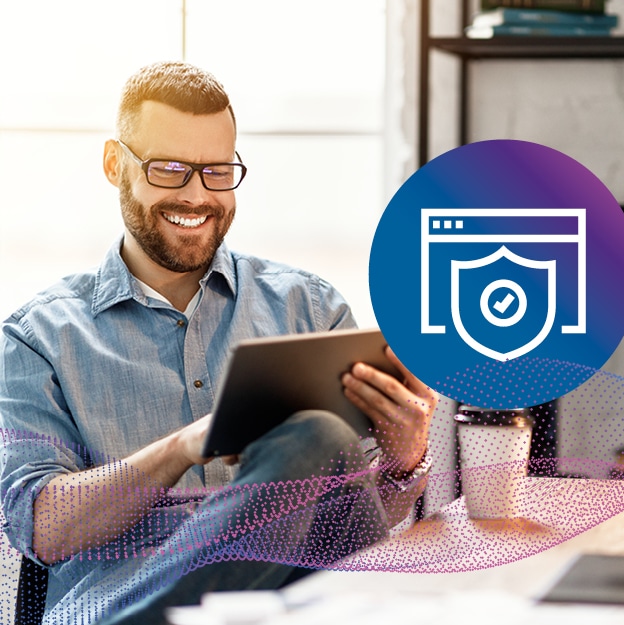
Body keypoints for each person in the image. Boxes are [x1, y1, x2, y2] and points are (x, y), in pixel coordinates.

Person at [0, 61, 437, 625]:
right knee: (316, 432)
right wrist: (181, 447)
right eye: (170, 169)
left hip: (289, 608)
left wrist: (404, 460)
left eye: (217, 171)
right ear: (115, 165)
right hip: (119, 601)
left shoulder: (312, 309)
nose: (196, 195)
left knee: (320, 439)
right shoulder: (38, 337)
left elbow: (358, 527)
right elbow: (42, 528)